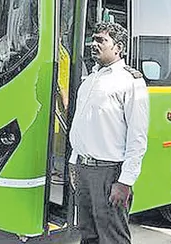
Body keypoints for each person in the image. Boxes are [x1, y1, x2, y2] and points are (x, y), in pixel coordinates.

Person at [68, 21, 149, 244]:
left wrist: (125, 181)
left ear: (118, 47)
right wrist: (74, 162)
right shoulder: (90, 79)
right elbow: (82, 125)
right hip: (84, 169)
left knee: (112, 236)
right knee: (88, 233)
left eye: (101, 40)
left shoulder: (130, 81)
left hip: (108, 172)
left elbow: (138, 136)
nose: (94, 44)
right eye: (93, 39)